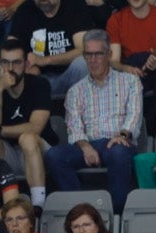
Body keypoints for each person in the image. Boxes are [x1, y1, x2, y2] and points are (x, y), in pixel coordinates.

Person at [45, 31, 141, 215]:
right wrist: (85, 146)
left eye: (98, 54)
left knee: (119, 152)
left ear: (109, 55)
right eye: (88, 54)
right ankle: (82, 211)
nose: (93, 60)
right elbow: (74, 126)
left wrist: (122, 136)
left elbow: (134, 116)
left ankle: (116, 213)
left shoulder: (130, 81)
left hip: (119, 141)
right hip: (88, 144)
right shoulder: (75, 90)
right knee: (54, 155)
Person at [0, 40, 51, 210]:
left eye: (16, 62)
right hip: (9, 152)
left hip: (39, 151)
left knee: (27, 138)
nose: (10, 68)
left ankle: (38, 206)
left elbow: (35, 128)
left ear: (26, 64)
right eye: (5, 62)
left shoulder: (40, 85)